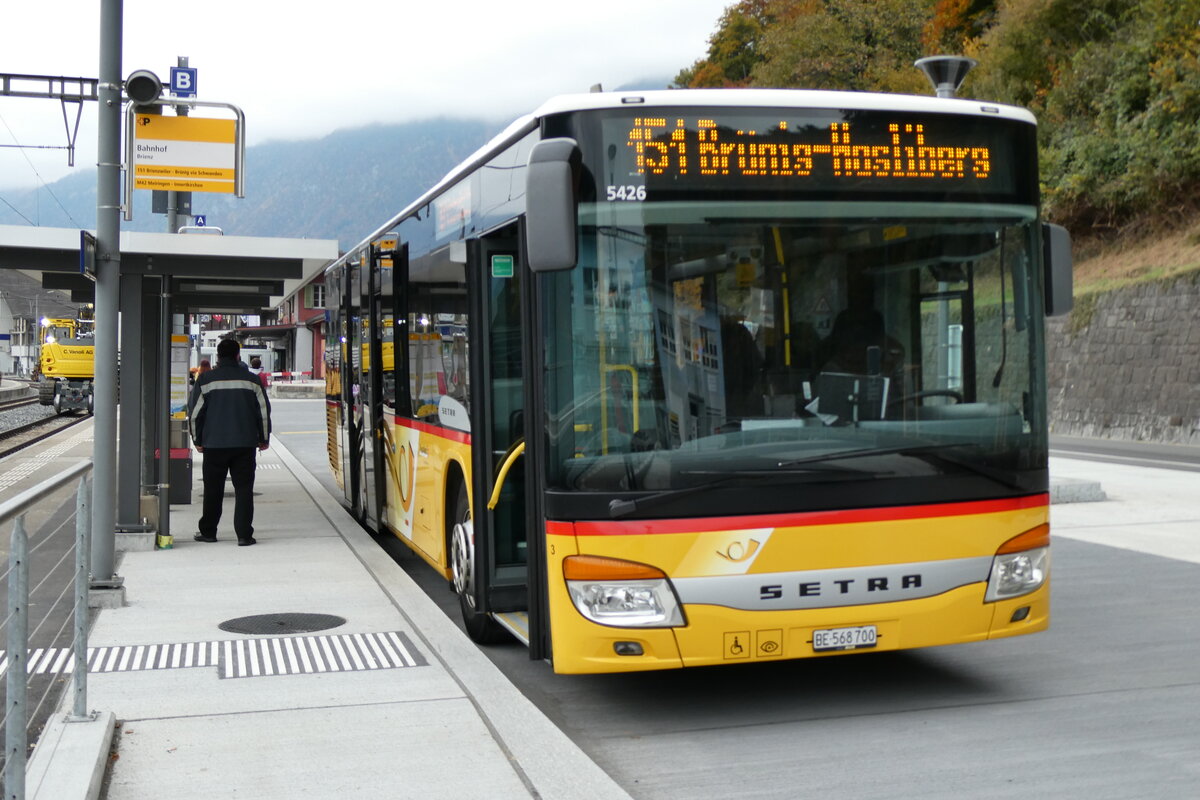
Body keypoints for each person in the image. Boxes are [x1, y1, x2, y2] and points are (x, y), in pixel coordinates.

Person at [188, 339, 272, 546]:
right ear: (237, 356)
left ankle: (208, 531)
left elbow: (195, 413)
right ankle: (244, 535)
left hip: (214, 445)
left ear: (218, 356)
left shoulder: (206, 380)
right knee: (244, 489)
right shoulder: (252, 380)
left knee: (212, 489)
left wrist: (197, 439)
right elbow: (262, 412)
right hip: (244, 444)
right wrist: (263, 438)